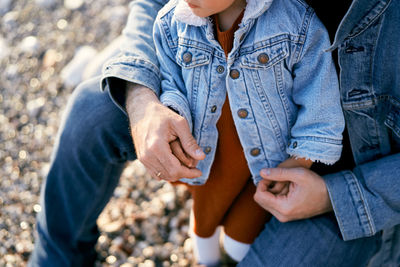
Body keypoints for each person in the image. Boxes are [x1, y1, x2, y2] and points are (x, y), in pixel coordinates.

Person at [29, 0, 400, 266]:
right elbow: (155, 8)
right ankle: (55, 255)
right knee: (92, 110)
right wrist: (144, 103)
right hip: (218, 126)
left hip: (355, 170)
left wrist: (337, 196)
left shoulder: (301, 25)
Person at [152, 0, 344, 264]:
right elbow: (171, 83)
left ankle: (232, 257)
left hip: (268, 163)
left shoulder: (295, 22)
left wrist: (302, 159)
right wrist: (175, 117)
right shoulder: (172, 22)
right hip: (210, 154)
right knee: (206, 224)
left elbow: (319, 97)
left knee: (240, 242)